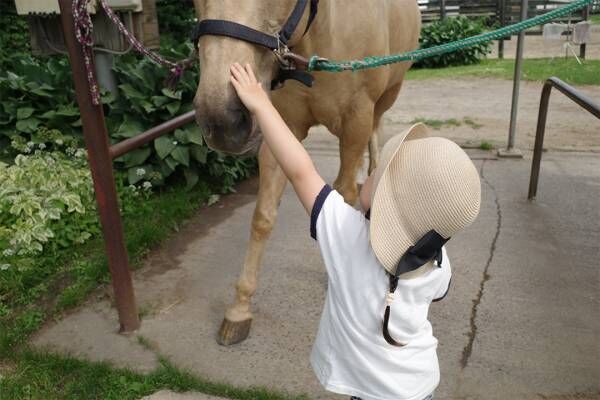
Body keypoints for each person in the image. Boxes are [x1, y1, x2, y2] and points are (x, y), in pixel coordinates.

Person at [229, 63, 481, 400]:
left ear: (385, 204)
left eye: (378, 175)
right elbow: (437, 293)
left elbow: (300, 170)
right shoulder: (436, 257)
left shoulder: (348, 237)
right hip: (420, 387)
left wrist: (261, 104)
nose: (370, 171)